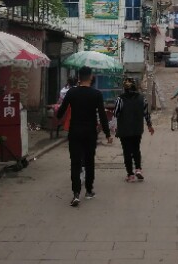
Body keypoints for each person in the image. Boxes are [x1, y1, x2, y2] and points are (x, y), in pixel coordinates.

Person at [56, 66, 112, 206]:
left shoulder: (71, 93)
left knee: (75, 162)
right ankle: (88, 190)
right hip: (90, 133)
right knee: (89, 161)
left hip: (74, 131)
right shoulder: (96, 94)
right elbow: (103, 116)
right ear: (91, 77)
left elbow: (60, 112)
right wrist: (107, 133)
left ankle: (75, 194)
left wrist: (59, 114)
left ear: (79, 77)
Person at [114, 77, 154, 183]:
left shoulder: (120, 99)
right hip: (137, 129)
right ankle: (138, 169)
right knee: (136, 149)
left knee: (127, 151)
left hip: (124, 130)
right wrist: (149, 125)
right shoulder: (142, 98)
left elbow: (116, 113)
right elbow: (146, 113)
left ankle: (130, 175)